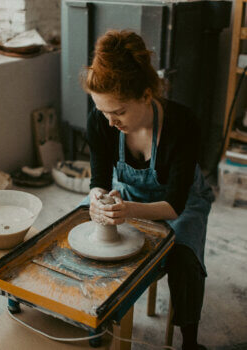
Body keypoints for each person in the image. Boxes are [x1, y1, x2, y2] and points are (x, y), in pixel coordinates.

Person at [79, 29, 214, 350]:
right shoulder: (101, 122)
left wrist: (127, 212)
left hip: (180, 200)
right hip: (127, 192)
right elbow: (99, 178)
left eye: (119, 112)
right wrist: (98, 200)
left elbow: (174, 205)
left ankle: (190, 341)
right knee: (78, 229)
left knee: (183, 259)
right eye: (103, 111)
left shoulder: (183, 124)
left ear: (146, 94)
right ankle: (89, 318)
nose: (110, 122)